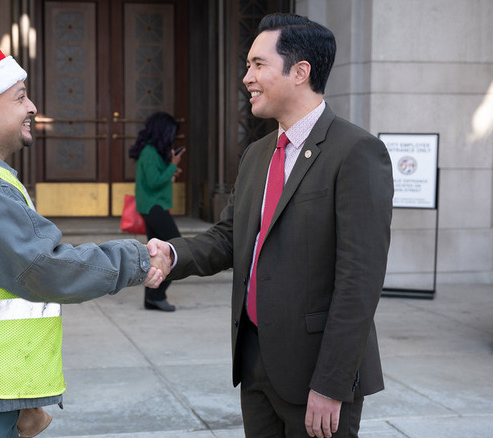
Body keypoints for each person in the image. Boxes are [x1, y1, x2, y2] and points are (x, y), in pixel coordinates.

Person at [0, 45, 170, 438]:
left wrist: (22, 405)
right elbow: (45, 268)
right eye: (19, 96)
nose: (32, 106)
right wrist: (138, 258)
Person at [149, 13, 393, 438]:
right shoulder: (257, 154)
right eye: (248, 65)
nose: (247, 78)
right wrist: (173, 254)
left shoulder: (357, 152)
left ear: (300, 72)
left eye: (258, 65)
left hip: (317, 375)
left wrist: (331, 384)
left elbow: (360, 281)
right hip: (255, 364)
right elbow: (230, 237)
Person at [128, 111, 185, 312]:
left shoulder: (152, 152)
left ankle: (152, 298)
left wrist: (170, 170)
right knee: (177, 250)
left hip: (154, 207)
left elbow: (157, 178)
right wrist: (173, 166)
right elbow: (153, 182)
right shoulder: (150, 152)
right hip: (153, 207)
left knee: (158, 253)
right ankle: (156, 295)